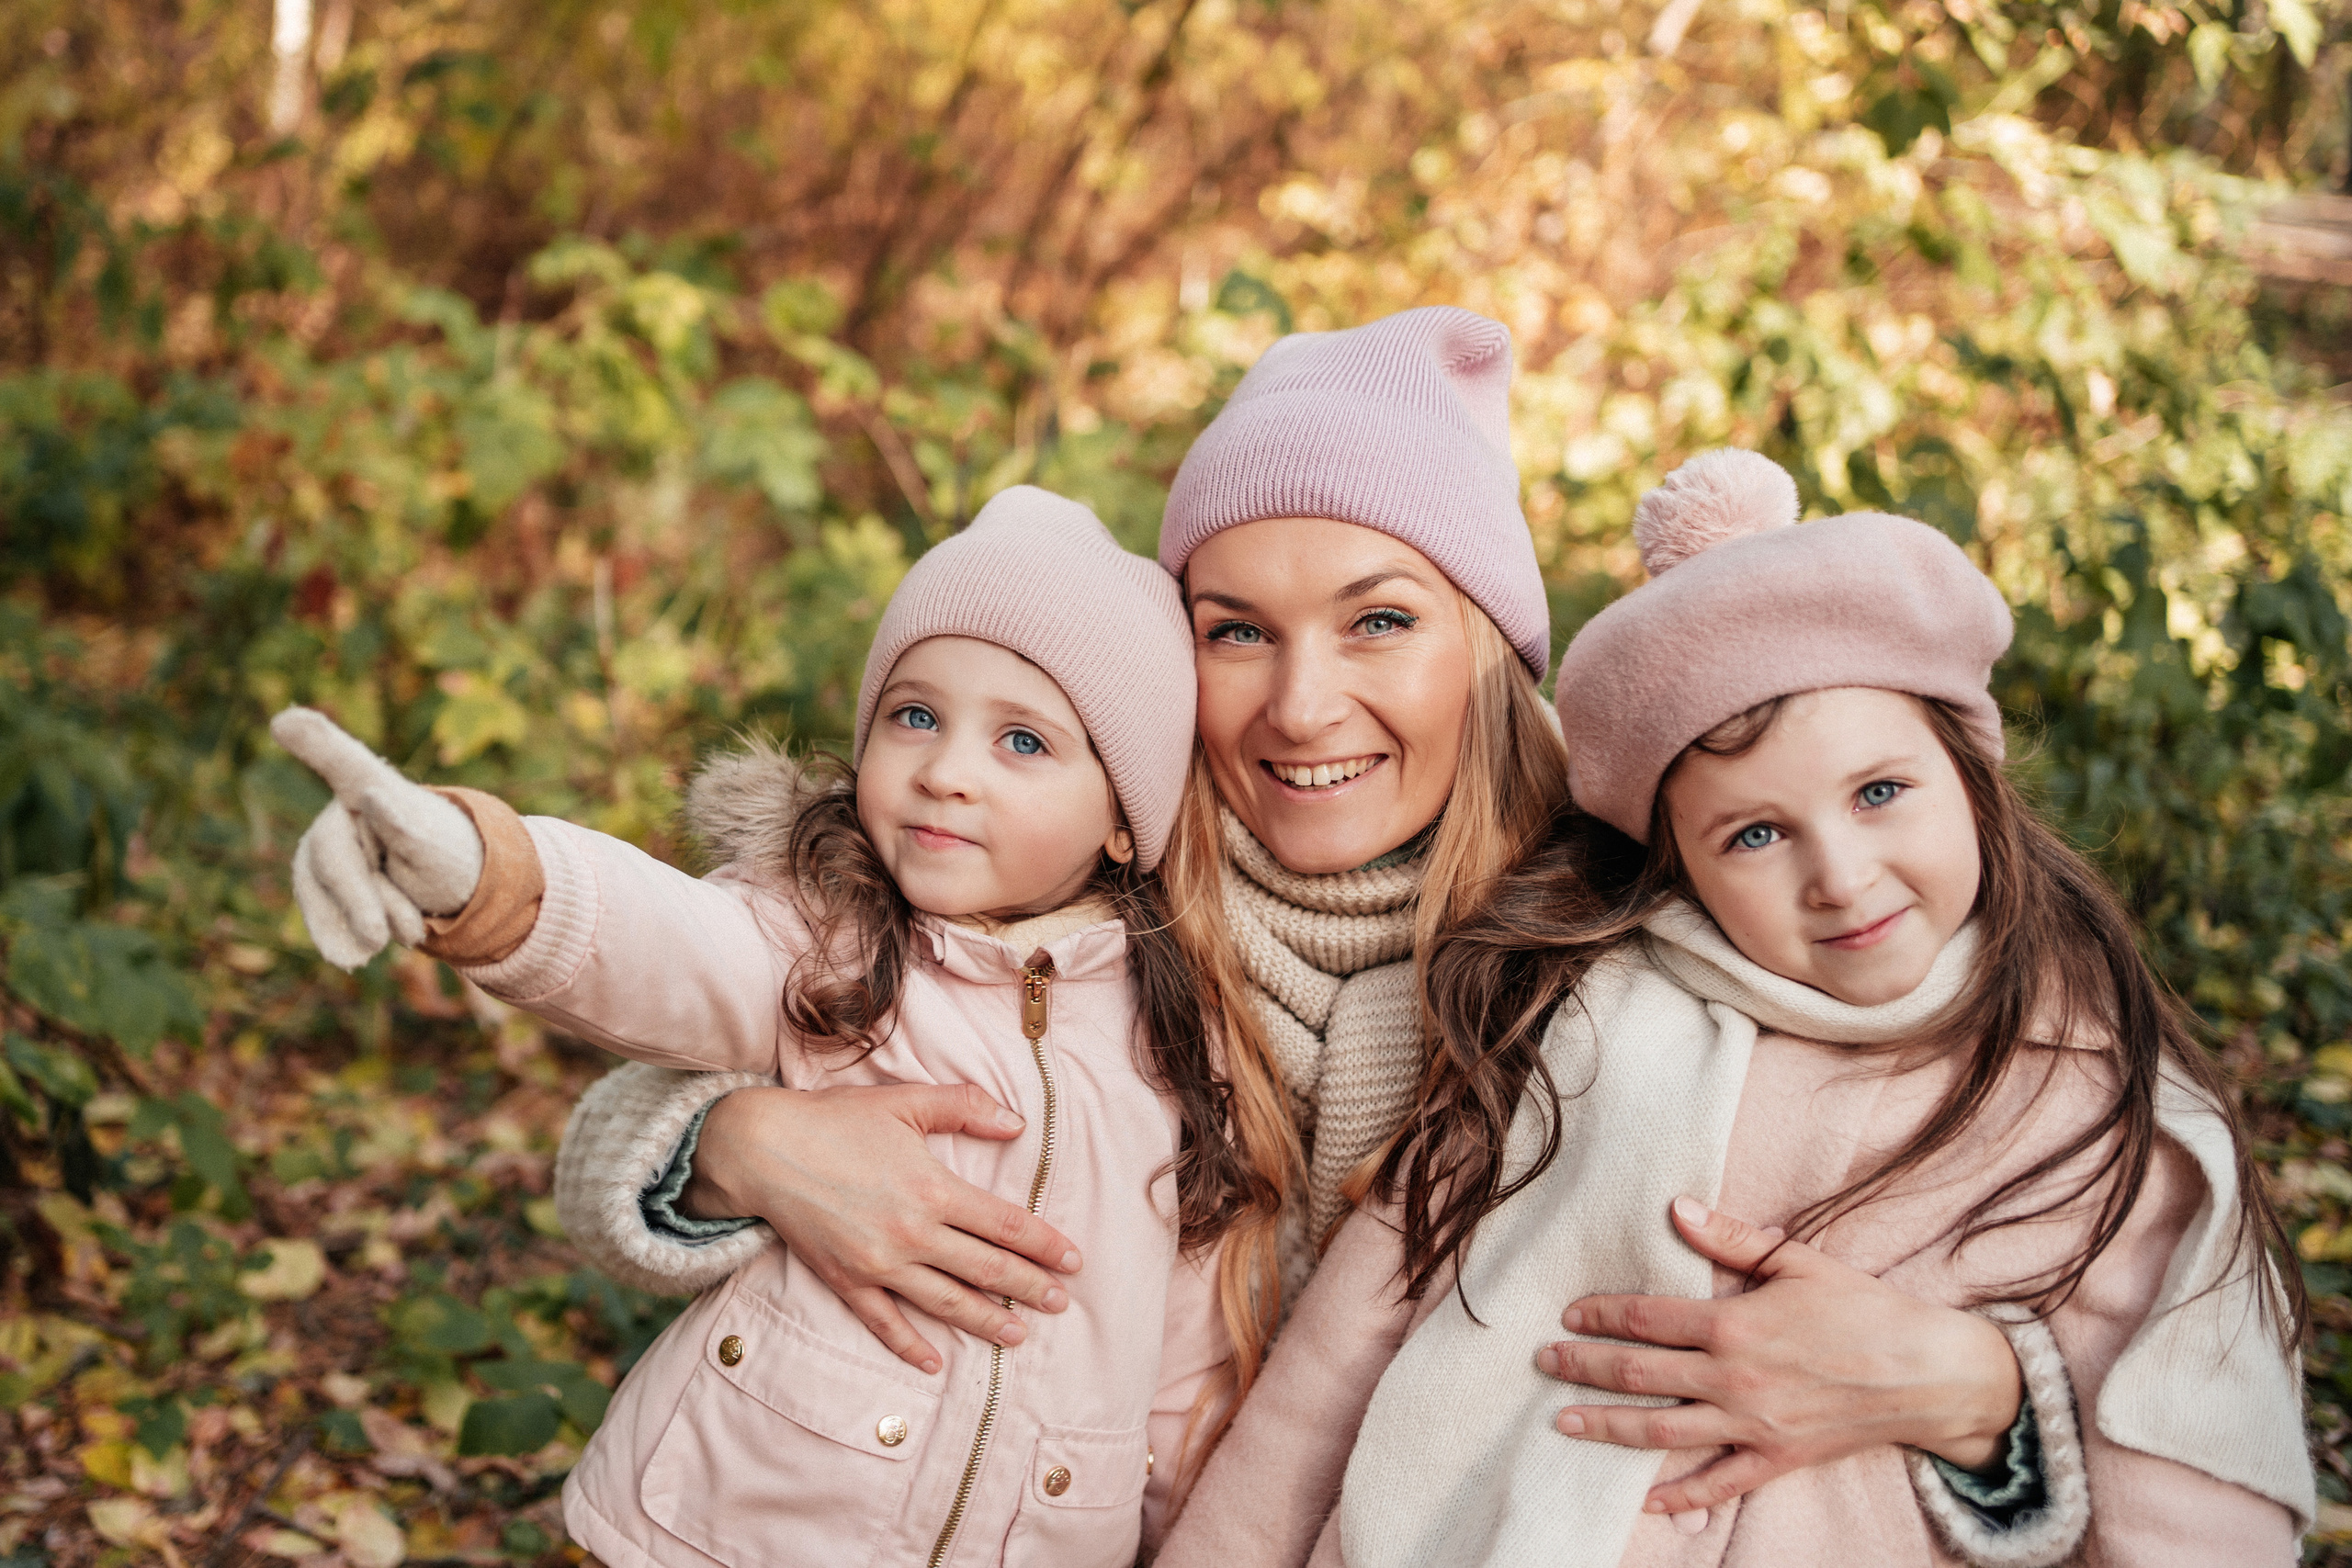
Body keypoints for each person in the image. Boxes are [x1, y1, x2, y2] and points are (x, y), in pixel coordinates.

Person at [547, 310, 2059, 1540]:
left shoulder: (1641, 915)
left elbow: (2048, 1222)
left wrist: (1976, 1383)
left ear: (1491, 641)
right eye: (1236, 631)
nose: (1302, 703)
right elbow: (721, 1010)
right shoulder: (1080, 876)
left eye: (1380, 619)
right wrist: (736, 1146)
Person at [1151, 449, 2314, 1567]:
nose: (1841, 877)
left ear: (1970, 774)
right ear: (1680, 869)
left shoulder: (2082, 1089)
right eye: (1753, 835)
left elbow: (2188, 1456)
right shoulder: (1575, 1027)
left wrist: (1990, 1400)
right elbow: (1338, 1365)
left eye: (1880, 792)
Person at [271, 488, 1256, 1567]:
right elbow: (662, 942)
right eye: (915, 715)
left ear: (1124, 820)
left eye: (1022, 741)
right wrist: (481, 873)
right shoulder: (826, 932)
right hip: (731, 1524)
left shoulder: (1174, 1042)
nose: (945, 770)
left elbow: (1186, 1359)